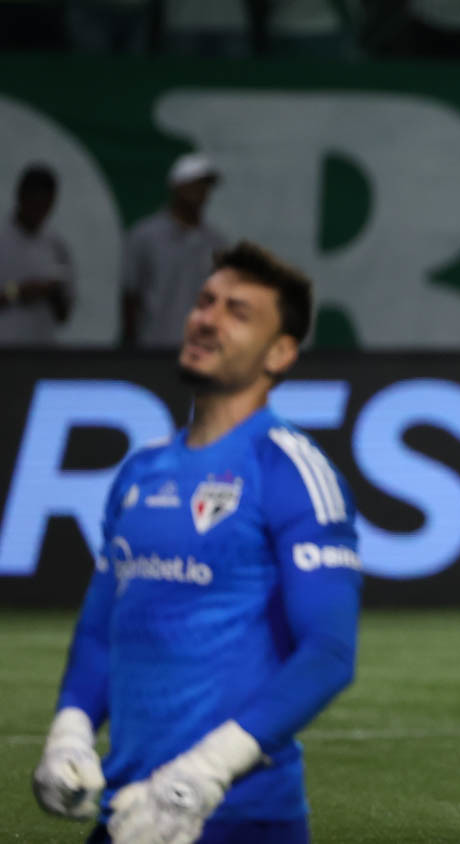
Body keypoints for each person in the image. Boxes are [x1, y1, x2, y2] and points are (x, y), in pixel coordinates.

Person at [31, 241, 361, 844]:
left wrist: (205, 772)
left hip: (241, 818)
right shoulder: (140, 472)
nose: (207, 318)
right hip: (129, 817)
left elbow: (329, 653)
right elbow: (101, 632)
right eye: (205, 301)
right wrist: (71, 730)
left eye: (238, 312)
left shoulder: (290, 469)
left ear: (280, 352)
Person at [122, 153, 229, 349]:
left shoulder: (216, 242)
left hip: (201, 349)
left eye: (206, 185)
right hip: (153, 347)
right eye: (195, 184)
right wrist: (130, 346)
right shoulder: (145, 235)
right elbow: (131, 295)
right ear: (177, 186)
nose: (202, 191)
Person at [0, 164, 74, 346]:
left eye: (46, 203)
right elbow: (13, 293)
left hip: (41, 350)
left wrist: (52, 292)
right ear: (21, 196)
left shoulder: (57, 246)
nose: (39, 209)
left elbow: (63, 314)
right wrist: (17, 291)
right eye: (34, 200)